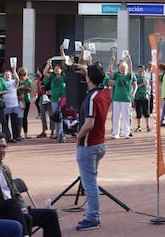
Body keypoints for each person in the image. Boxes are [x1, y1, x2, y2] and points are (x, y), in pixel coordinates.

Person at [0, 132, 62, 237]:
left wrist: (22, 207)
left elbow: (15, 193)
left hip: (16, 209)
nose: (1, 150)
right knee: (26, 218)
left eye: (4, 147)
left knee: (50, 215)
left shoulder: (5, 168)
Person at [75, 64, 111, 230]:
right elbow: (103, 80)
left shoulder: (92, 97)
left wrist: (78, 136)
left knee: (90, 184)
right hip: (100, 143)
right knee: (92, 181)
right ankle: (92, 215)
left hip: (88, 143)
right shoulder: (105, 93)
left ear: (88, 78)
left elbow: (89, 123)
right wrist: (89, 71)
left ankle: (93, 217)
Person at [108, 53, 136, 139]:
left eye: (124, 68)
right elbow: (110, 71)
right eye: (121, 68)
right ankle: (115, 133)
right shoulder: (117, 75)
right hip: (116, 98)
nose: (122, 69)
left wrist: (129, 60)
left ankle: (126, 132)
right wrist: (112, 62)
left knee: (126, 116)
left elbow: (130, 68)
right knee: (116, 116)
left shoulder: (129, 76)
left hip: (126, 99)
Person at [43, 61, 66, 139]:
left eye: (58, 68)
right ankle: (57, 132)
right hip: (54, 99)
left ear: (61, 70)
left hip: (62, 99)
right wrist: (48, 64)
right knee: (56, 116)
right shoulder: (52, 77)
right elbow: (45, 73)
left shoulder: (64, 77)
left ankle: (62, 132)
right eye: (55, 68)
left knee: (62, 116)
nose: (56, 70)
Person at [2, 68, 20, 143]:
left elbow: (17, 80)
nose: (7, 76)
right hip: (5, 105)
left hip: (14, 105)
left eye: (8, 75)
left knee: (14, 121)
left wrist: (14, 71)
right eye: (6, 75)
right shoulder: (2, 82)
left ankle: (16, 136)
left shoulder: (13, 82)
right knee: (5, 122)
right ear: (3, 76)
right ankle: (6, 136)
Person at [133, 65, 151, 132]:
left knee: (146, 112)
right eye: (139, 69)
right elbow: (135, 86)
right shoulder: (135, 77)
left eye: (142, 69)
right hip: (137, 96)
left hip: (145, 96)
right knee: (138, 112)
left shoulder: (145, 77)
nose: (141, 70)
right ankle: (139, 126)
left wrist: (144, 78)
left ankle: (148, 126)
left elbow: (147, 84)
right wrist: (142, 84)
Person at [17, 67, 32, 139]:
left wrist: (25, 87)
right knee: (18, 117)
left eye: (24, 74)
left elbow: (30, 90)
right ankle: (18, 133)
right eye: (20, 74)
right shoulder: (17, 80)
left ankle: (25, 134)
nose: (22, 76)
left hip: (26, 100)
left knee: (24, 117)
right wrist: (19, 87)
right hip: (18, 100)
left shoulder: (28, 81)